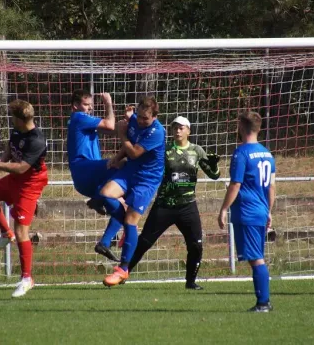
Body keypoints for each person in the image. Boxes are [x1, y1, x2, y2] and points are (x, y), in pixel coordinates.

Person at [126, 116, 220, 290]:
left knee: (196, 245)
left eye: (181, 128)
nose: (178, 130)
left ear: (188, 131)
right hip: (164, 205)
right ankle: (124, 272)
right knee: (144, 242)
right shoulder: (165, 150)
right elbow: (150, 168)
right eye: (175, 127)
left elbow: (214, 175)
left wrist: (214, 166)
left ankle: (190, 282)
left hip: (187, 206)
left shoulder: (197, 151)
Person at [0, 100, 48, 298]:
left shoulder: (37, 140)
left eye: (12, 117)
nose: (11, 120)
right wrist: (2, 159)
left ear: (20, 119)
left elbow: (22, 168)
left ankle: (27, 279)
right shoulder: (17, 130)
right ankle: (5, 233)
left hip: (30, 183)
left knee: (22, 231)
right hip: (15, 179)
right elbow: (11, 148)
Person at [100, 95, 166, 287]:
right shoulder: (135, 120)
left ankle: (123, 269)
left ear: (154, 116)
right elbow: (129, 143)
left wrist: (121, 134)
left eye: (145, 118)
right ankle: (122, 228)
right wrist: (117, 156)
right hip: (131, 171)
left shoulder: (157, 132)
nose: (141, 121)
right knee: (106, 194)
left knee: (131, 220)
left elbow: (135, 151)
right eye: (139, 116)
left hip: (147, 180)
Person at [218, 111, 276, 312]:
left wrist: (224, 209)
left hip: (247, 211)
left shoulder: (241, 153)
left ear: (242, 127)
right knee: (256, 256)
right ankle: (263, 301)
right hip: (260, 210)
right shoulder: (267, 154)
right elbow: (272, 187)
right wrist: (269, 211)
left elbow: (235, 184)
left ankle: (263, 302)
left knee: (256, 258)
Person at [66, 89, 124, 261]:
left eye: (91, 105)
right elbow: (110, 125)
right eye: (85, 105)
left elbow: (111, 128)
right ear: (75, 106)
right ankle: (98, 199)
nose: (89, 108)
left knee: (123, 212)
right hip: (84, 170)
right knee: (122, 165)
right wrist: (108, 103)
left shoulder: (84, 121)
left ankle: (104, 243)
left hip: (91, 179)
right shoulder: (78, 117)